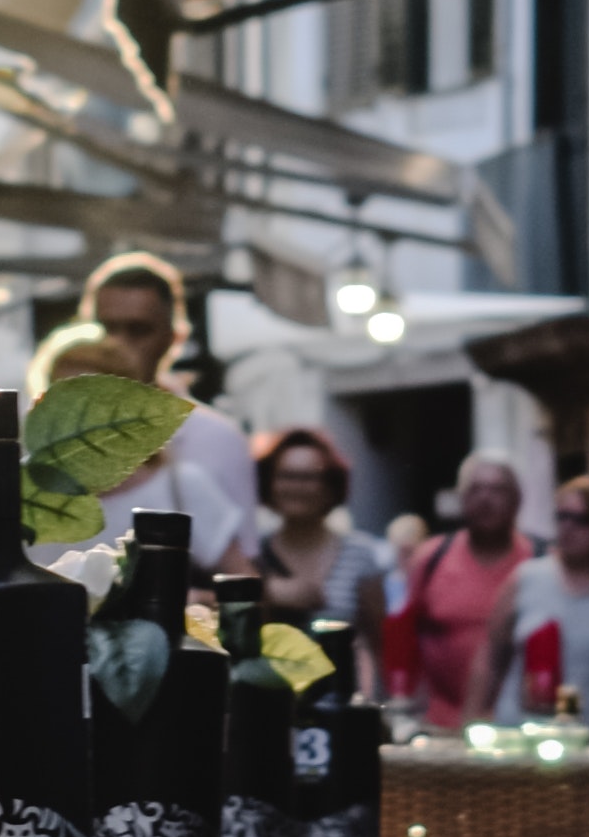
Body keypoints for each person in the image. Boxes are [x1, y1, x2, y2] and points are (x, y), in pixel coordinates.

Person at [64, 251, 263, 570]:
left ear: (173, 338)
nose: (117, 343)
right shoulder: (45, 436)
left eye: (138, 330)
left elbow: (243, 580)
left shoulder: (217, 438)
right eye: (107, 328)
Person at [481, 472, 589, 730]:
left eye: (580, 520)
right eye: (562, 517)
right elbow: (490, 658)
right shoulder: (527, 579)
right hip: (524, 733)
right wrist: (475, 716)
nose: (568, 527)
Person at [387, 448, 536, 726]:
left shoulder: (537, 563)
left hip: (521, 729)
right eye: (476, 489)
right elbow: (404, 639)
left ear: (517, 499)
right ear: (461, 498)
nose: (485, 498)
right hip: (441, 728)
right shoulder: (430, 559)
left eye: (497, 490)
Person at [248, 426, 388, 673]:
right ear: (269, 482)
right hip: (269, 698)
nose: (297, 486)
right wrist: (268, 593)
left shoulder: (360, 554)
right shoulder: (251, 552)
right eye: (286, 476)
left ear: (330, 485)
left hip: (339, 698)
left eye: (309, 476)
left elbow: (379, 641)